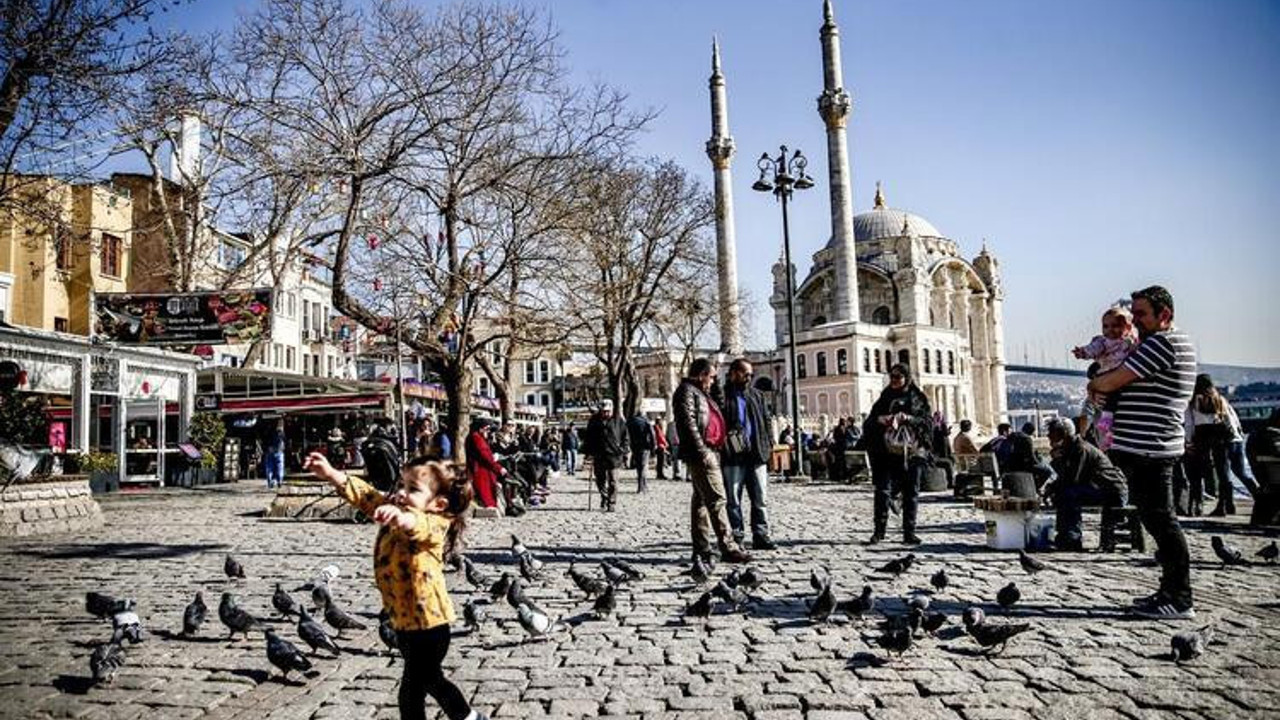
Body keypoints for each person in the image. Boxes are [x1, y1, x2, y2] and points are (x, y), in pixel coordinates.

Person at [302, 453, 486, 720]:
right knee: (432, 681)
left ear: (439, 503)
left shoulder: (436, 523)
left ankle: (467, 717)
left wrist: (403, 519)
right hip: (404, 624)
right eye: (401, 484)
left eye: (412, 489)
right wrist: (333, 475)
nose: (400, 492)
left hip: (430, 627)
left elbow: (418, 526)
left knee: (411, 690)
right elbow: (367, 496)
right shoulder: (395, 507)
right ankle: (468, 717)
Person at [1090, 285, 1197, 620]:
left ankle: (1179, 598)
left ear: (1164, 315)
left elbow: (1110, 381)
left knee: (1162, 521)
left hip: (1152, 448)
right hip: (1146, 446)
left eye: (1140, 314)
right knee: (1157, 519)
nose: (1134, 321)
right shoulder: (1156, 344)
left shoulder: (1162, 344)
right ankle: (1169, 591)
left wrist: (1096, 384)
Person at [674, 358, 752, 564]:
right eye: (711, 377)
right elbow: (688, 423)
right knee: (718, 499)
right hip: (702, 453)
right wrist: (702, 451)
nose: (712, 381)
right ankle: (728, 546)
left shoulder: (702, 393)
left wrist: (718, 380)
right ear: (701, 375)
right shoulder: (686, 392)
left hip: (710, 450)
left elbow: (719, 402)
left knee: (700, 502)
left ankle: (701, 548)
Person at [861, 363, 932, 545]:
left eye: (898, 377)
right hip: (887, 451)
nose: (894, 380)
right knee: (882, 491)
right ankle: (879, 531)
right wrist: (882, 419)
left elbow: (926, 421)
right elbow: (870, 422)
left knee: (911, 492)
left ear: (906, 378)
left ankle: (909, 531)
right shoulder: (885, 397)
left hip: (913, 451)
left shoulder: (917, 397)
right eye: (891, 376)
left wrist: (908, 419)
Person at [1042, 418, 1128, 551]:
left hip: (1111, 490)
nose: (1048, 436)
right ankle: (1065, 537)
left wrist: (1057, 462)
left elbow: (1073, 479)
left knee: (1068, 494)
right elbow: (1066, 476)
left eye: (1052, 432)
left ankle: (1072, 538)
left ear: (1063, 434)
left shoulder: (1080, 449)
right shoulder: (1070, 448)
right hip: (1098, 487)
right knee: (1063, 494)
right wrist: (1051, 488)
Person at [720, 358, 776, 551]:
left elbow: (767, 421)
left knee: (760, 498)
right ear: (734, 373)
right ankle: (737, 536)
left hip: (757, 454)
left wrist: (769, 445)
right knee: (733, 499)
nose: (748, 377)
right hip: (733, 457)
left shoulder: (757, 395)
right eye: (745, 373)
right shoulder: (723, 395)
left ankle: (761, 534)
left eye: (751, 374)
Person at [1073, 306, 1139, 449]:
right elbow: (1093, 349)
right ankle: (1106, 426)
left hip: (1121, 376)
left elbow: (1136, 349)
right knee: (1110, 399)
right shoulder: (1102, 341)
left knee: (1114, 398)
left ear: (1127, 327)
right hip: (1107, 375)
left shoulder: (1129, 341)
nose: (1110, 330)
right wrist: (1083, 352)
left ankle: (1107, 431)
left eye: (1116, 326)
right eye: (1106, 326)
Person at [1184, 374, 1234, 516]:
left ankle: (1196, 506)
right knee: (1222, 471)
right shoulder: (1220, 399)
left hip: (1201, 436)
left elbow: (1189, 424)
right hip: (1219, 436)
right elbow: (1228, 420)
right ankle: (1223, 505)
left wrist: (1188, 441)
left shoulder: (1193, 402)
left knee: (1197, 472)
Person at [583, 399, 627, 511]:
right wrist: (588, 452)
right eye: (603, 411)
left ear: (611, 410)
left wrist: (623, 449)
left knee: (613, 481)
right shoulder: (594, 420)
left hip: (614, 455)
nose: (605, 413)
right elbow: (588, 438)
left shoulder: (618, 420)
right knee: (600, 480)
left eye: (608, 411)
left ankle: (611, 502)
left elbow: (625, 437)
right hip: (599, 454)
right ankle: (604, 497)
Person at [464, 420, 506, 509]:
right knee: (485, 492)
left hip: (483, 468)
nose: (488, 432)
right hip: (480, 469)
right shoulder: (476, 438)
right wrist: (498, 468)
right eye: (486, 429)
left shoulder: (478, 437)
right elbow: (485, 456)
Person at [627, 410, 655, 493]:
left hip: (634, 446)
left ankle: (642, 485)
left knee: (639, 467)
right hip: (644, 446)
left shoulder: (630, 422)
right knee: (643, 466)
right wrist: (653, 447)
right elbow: (652, 434)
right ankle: (642, 486)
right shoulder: (646, 422)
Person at [264, 421, 286, 489]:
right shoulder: (282, 433)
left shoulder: (268, 432)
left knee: (270, 467)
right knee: (280, 466)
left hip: (270, 451)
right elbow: (284, 441)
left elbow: (265, 441)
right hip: (279, 451)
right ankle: (279, 480)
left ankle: (270, 481)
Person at [666, 416, 683, 481]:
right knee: (678, 459)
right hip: (677, 443)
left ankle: (675, 474)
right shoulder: (680, 424)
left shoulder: (669, 425)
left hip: (672, 443)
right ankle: (677, 474)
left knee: (674, 459)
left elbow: (667, 434)